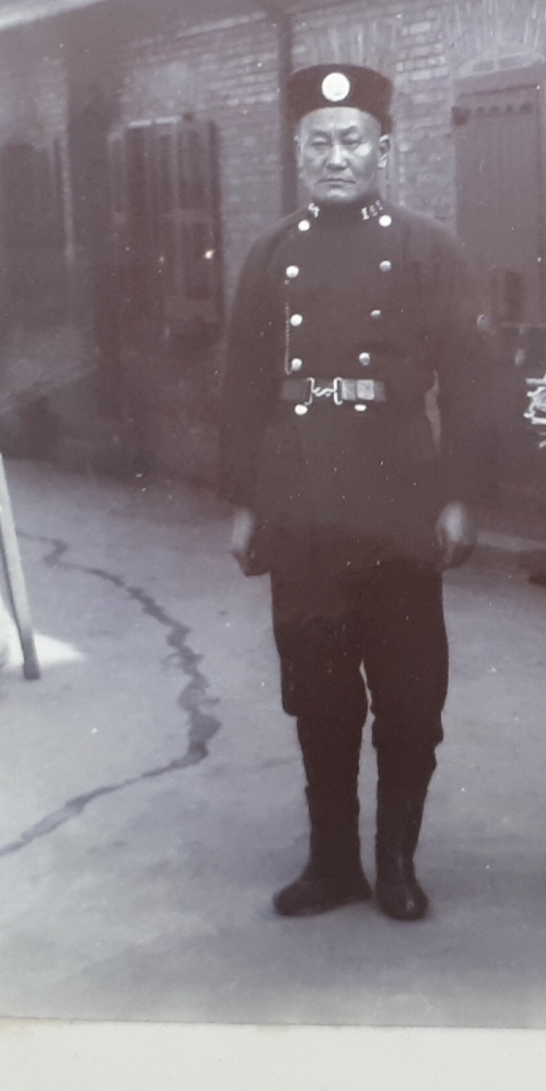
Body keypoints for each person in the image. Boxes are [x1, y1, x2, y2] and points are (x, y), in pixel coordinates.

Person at [218, 63, 495, 923]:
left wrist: (461, 494)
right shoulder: (270, 255)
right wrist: (245, 501)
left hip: (398, 496)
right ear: (298, 152)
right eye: (319, 143)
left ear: (384, 147)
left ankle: (397, 861)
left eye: (352, 141)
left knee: (410, 698)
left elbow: (472, 379)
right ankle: (331, 860)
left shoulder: (428, 249)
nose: (336, 157)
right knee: (320, 693)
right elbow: (243, 387)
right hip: (301, 503)